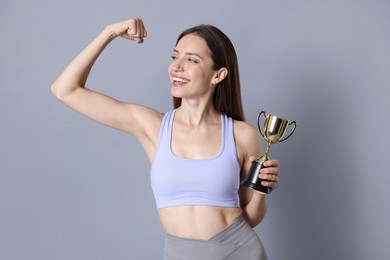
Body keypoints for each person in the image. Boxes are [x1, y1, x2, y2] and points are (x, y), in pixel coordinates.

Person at [51, 17, 280, 260]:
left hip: (239, 251)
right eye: (175, 57)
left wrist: (261, 191)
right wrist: (109, 32)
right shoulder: (152, 126)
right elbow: (65, 90)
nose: (176, 67)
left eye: (191, 60)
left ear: (218, 75)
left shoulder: (242, 135)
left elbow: (250, 217)